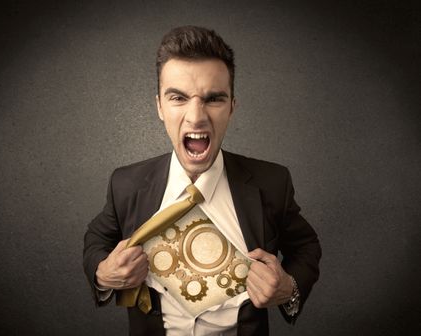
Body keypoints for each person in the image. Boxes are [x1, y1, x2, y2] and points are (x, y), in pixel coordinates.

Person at [83, 25, 321, 336]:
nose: (196, 117)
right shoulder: (125, 184)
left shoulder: (272, 183)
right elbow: (96, 240)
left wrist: (288, 288)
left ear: (232, 107)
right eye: (178, 97)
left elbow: (306, 246)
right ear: (159, 106)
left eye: (213, 99)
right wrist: (104, 274)